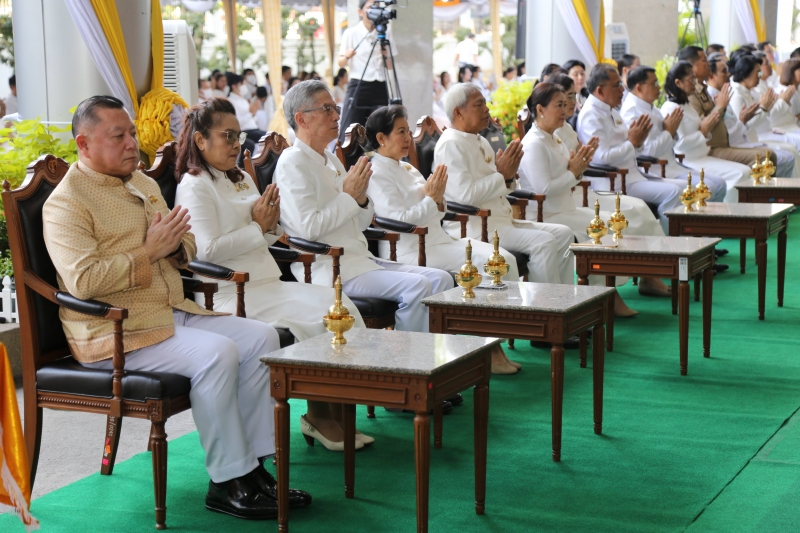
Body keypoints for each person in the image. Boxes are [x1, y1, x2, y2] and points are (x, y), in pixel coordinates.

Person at [42, 95, 311, 520]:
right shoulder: (66, 202)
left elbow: (186, 244)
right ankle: (227, 481)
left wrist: (173, 246)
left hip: (171, 309)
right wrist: (148, 252)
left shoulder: (144, 184)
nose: (132, 143)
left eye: (132, 133)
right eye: (119, 136)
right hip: (116, 331)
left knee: (262, 337)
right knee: (218, 354)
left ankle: (256, 470)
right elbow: (84, 281)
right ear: (85, 143)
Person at [174, 97, 372, 452]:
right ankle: (320, 414)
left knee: (335, 304)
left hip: (267, 283)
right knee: (318, 318)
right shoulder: (194, 184)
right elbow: (205, 252)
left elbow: (264, 232)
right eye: (227, 136)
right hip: (229, 292)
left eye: (238, 137)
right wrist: (256, 226)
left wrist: (272, 223)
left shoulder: (238, 177)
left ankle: (333, 409)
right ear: (200, 140)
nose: (236, 144)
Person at [275, 80, 453, 334]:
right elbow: (307, 230)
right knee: (418, 287)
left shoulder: (331, 158)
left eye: (334, 108)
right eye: (327, 109)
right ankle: (409, 362)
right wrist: (349, 197)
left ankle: (435, 353)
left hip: (359, 259)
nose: (337, 115)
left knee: (441, 279)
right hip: (330, 267)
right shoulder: (292, 163)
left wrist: (360, 200)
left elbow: (359, 223)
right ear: (301, 119)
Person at [365, 104, 522, 372]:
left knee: (501, 259)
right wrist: (432, 200)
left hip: (438, 239)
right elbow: (400, 220)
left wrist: (436, 201)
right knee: (486, 268)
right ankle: (484, 349)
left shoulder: (407, 168)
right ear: (381, 138)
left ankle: (494, 344)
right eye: (401, 132)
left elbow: (440, 206)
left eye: (407, 131)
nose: (407, 139)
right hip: (409, 249)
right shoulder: (376, 172)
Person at [519, 83, 672, 314]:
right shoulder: (533, 143)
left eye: (565, 104)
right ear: (540, 109)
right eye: (558, 105)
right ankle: (604, 298)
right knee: (604, 233)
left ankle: (609, 292)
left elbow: (570, 175)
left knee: (615, 223)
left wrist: (578, 168)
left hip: (566, 209)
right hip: (548, 214)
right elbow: (545, 189)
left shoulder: (554, 138)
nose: (564, 110)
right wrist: (574, 171)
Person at [434, 83, 575, 287]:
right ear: (458, 112)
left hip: (499, 221)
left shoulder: (479, 140)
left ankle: (564, 301)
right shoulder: (450, 144)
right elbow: (465, 196)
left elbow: (501, 185)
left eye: (485, 103)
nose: (487, 109)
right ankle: (545, 308)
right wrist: (501, 175)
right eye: (479, 104)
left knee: (563, 233)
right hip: (474, 227)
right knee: (543, 243)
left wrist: (508, 178)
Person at [550, 73, 665, 238]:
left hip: (584, 188)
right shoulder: (544, 136)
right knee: (629, 214)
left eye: (574, 95)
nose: (573, 101)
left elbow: (582, 165)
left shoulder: (567, 129)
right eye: (567, 97)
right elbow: (553, 181)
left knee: (639, 207)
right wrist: (577, 167)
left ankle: (660, 256)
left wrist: (636, 142)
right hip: (573, 195)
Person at [577, 64, 682, 231]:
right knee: (673, 192)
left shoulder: (611, 111)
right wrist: (632, 142)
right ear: (601, 91)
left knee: (683, 187)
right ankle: (670, 243)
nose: (622, 91)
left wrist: (638, 141)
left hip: (633, 175)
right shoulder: (591, 115)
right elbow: (602, 158)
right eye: (617, 86)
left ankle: (687, 239)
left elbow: (634, 148)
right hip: (614, 182)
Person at [620, 65, 727, 201]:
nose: (659, 87)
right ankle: (695, 222)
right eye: (654, 83)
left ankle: (710, 221)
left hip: (673, 165)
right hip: (656, 169)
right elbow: (646, 152)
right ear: (639, 87)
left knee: (719, 183)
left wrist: (672, 132)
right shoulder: (632, 112)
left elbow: (672, 141)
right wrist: (669, 132)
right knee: (708, 187)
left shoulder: (652, 108)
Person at [677, 46, 780, 184]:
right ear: (692, 66)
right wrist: (721, 107)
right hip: (710, 148)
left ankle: (763, 198)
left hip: (727, 143)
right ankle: (753, 201)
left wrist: (742, 118)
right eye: (704, 61)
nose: (708, 63)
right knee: (763, 159)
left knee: (770, 155)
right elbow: (702, 125)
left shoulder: (703, 90)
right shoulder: (692, 94)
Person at [660, 61, 752, 203]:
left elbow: (702, 130)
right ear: (678, 83)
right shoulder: (671, 108)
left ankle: (733, 214)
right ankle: (729, 215)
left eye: (695, 79)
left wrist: (705, 131)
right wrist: (703, 131)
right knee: (739, 174)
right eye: (691, 80)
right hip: (688, 160)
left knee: (745, 171)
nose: (695, 83)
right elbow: (679, 145)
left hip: (702, 154)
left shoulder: (687, 105)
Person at [704, 52, 797, 178]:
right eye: (757, 73)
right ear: (745, 74)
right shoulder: (736, 95)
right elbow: (744, 126)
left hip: (752, 136)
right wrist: (765, 108)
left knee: (789, 155)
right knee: (782, 156)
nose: (760, 76)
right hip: (744, 139)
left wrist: (768, 107)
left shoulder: (750, 91)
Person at [337, 0, 398, 142]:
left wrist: (385, 54)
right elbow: (340, 63)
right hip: (359, 85)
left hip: (380, 84)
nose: (374, 10)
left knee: (381, 126)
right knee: (351, 127)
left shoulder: (385, 31)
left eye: (377, 6)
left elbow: (390, 66)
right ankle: (348, 160)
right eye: (370, 7)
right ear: (360, 11)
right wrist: (347, 55)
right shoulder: (351, 33)